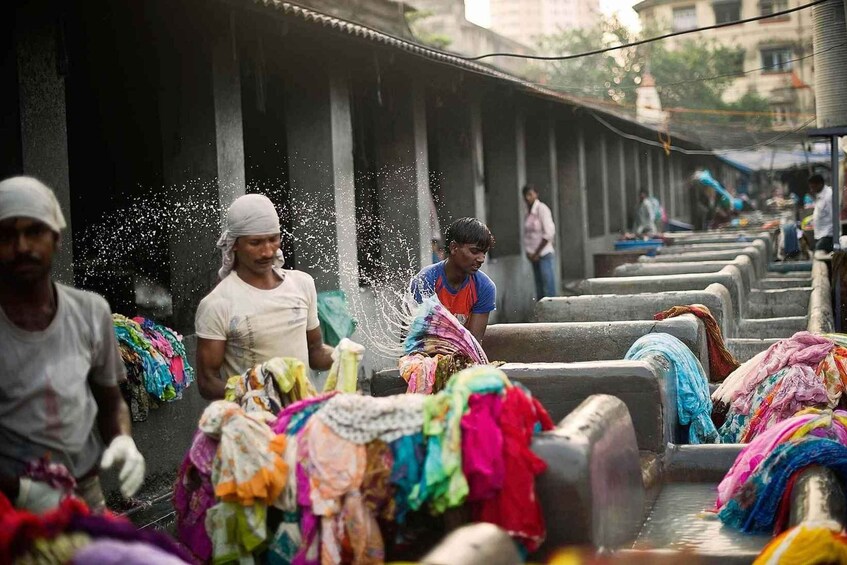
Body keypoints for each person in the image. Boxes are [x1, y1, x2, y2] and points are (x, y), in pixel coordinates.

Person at [0, 176, 144, 513]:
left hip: (84, 492)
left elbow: (111, 401)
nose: (22, 247)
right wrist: (20, 490)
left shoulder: (90, 311)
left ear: (56, 238)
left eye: (34, 231)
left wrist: (123, 439)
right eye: (6, 236)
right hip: (8, 505)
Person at [195, 194, 335, 399]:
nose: (267, 252)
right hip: (254, 423)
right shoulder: (218, 304)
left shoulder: (301, 285)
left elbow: (315, 352)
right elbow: (207, 382)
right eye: (256, 243)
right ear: (234, 243)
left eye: (273, 239)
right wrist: (250, 393)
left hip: (302, 418)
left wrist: (343, 354)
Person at [410, 217, 496, 342]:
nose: (481, 259)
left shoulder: (484, 288)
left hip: (461, 355)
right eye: (475, 251)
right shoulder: (426, 281)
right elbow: (414, 339)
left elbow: (473, 343)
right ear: (454, 247)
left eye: (484, 252)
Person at [522, 184, 556, 300]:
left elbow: (549, 233)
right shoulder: (527, 211)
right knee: (539, 287)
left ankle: (553, 314)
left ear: (536, 194)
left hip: (543, 253)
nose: (527, 198)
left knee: (548, 286)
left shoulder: (542, 209)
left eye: (530, 194)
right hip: (533, 255)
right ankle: (542, 315)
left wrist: (537, 253)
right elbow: (528, 234)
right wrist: (529, 252)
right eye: (525, 195)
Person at [809, 174, 834, 252]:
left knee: (818, 255)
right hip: (820, 234)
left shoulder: (829, 196)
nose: (811, 190)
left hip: (828, 235)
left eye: (813, 187)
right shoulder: (820, 194)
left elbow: (834, 216)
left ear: (819, 184)